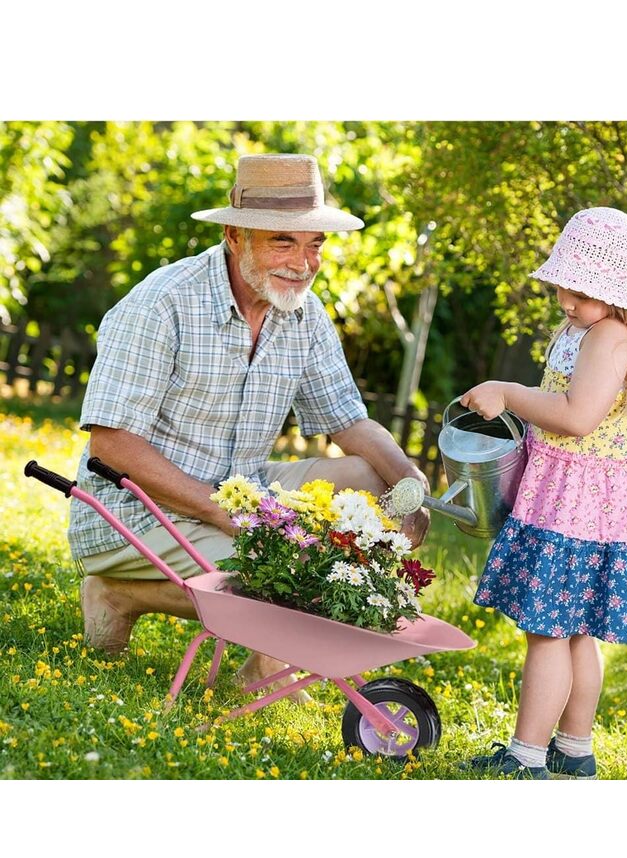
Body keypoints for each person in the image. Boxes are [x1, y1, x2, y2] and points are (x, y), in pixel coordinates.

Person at [67, 153, 430, 694]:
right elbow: (113, 443)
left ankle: (262, 647)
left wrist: (410, 484)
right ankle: (121, 593)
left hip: (243, 495)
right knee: (294, 568)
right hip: (134, 510)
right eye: (283, 242)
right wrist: (232, 518)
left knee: (371, 481)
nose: (304, 263)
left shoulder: (305, 313)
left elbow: (348, 420)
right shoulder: (162, 303)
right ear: (235, 237)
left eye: (315, 245)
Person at [458, 207, 627, 778]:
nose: (567, 301)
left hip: (586, 503)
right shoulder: (585, 327)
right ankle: (573, 749)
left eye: (582, 292)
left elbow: (576, 417)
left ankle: (526, 759)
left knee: (548, 630)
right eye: (563, 289)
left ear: (616, 292)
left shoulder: (614, 334)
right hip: (574, 494)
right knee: (572, 631)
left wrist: (508, 391)